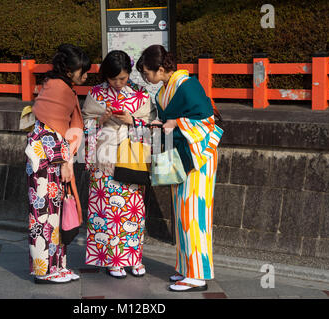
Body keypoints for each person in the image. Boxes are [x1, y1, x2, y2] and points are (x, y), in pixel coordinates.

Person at [137, 44, 223, 292]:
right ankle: (186, 269)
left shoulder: (188, 85)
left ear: (161, 69)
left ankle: (197, 274)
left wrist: (175, 121)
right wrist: (161, 123)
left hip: (199, 156)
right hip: (182, 154)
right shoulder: (166, 89)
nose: (146, 78)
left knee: (195, 214)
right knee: (183, 214)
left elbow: (207, 120)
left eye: (146, 73)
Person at [82, 50, 156, 278]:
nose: (117, 83)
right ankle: (112, 258)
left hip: (130, 156)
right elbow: (84, 122)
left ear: (129, 74)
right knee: (107, 212)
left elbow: (152, 122)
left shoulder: (140, 94)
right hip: (104, 157)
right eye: (113, 79)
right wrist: (100, 120)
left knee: (132, 212)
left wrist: (131, 120)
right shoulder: (95, 94)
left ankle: (134, 257)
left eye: (122, 78)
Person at [25, 44, 90, 284]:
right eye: (83, 71)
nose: (85, 76)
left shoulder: (55, 85)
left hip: (47, 157)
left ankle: (58, 265)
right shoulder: (61, 90)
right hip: (47, 160)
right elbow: (52, 129)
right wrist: (64, 160)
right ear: (70, 70)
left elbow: (53, 126)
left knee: (56, 214)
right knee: (44, 216)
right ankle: (44, 271)